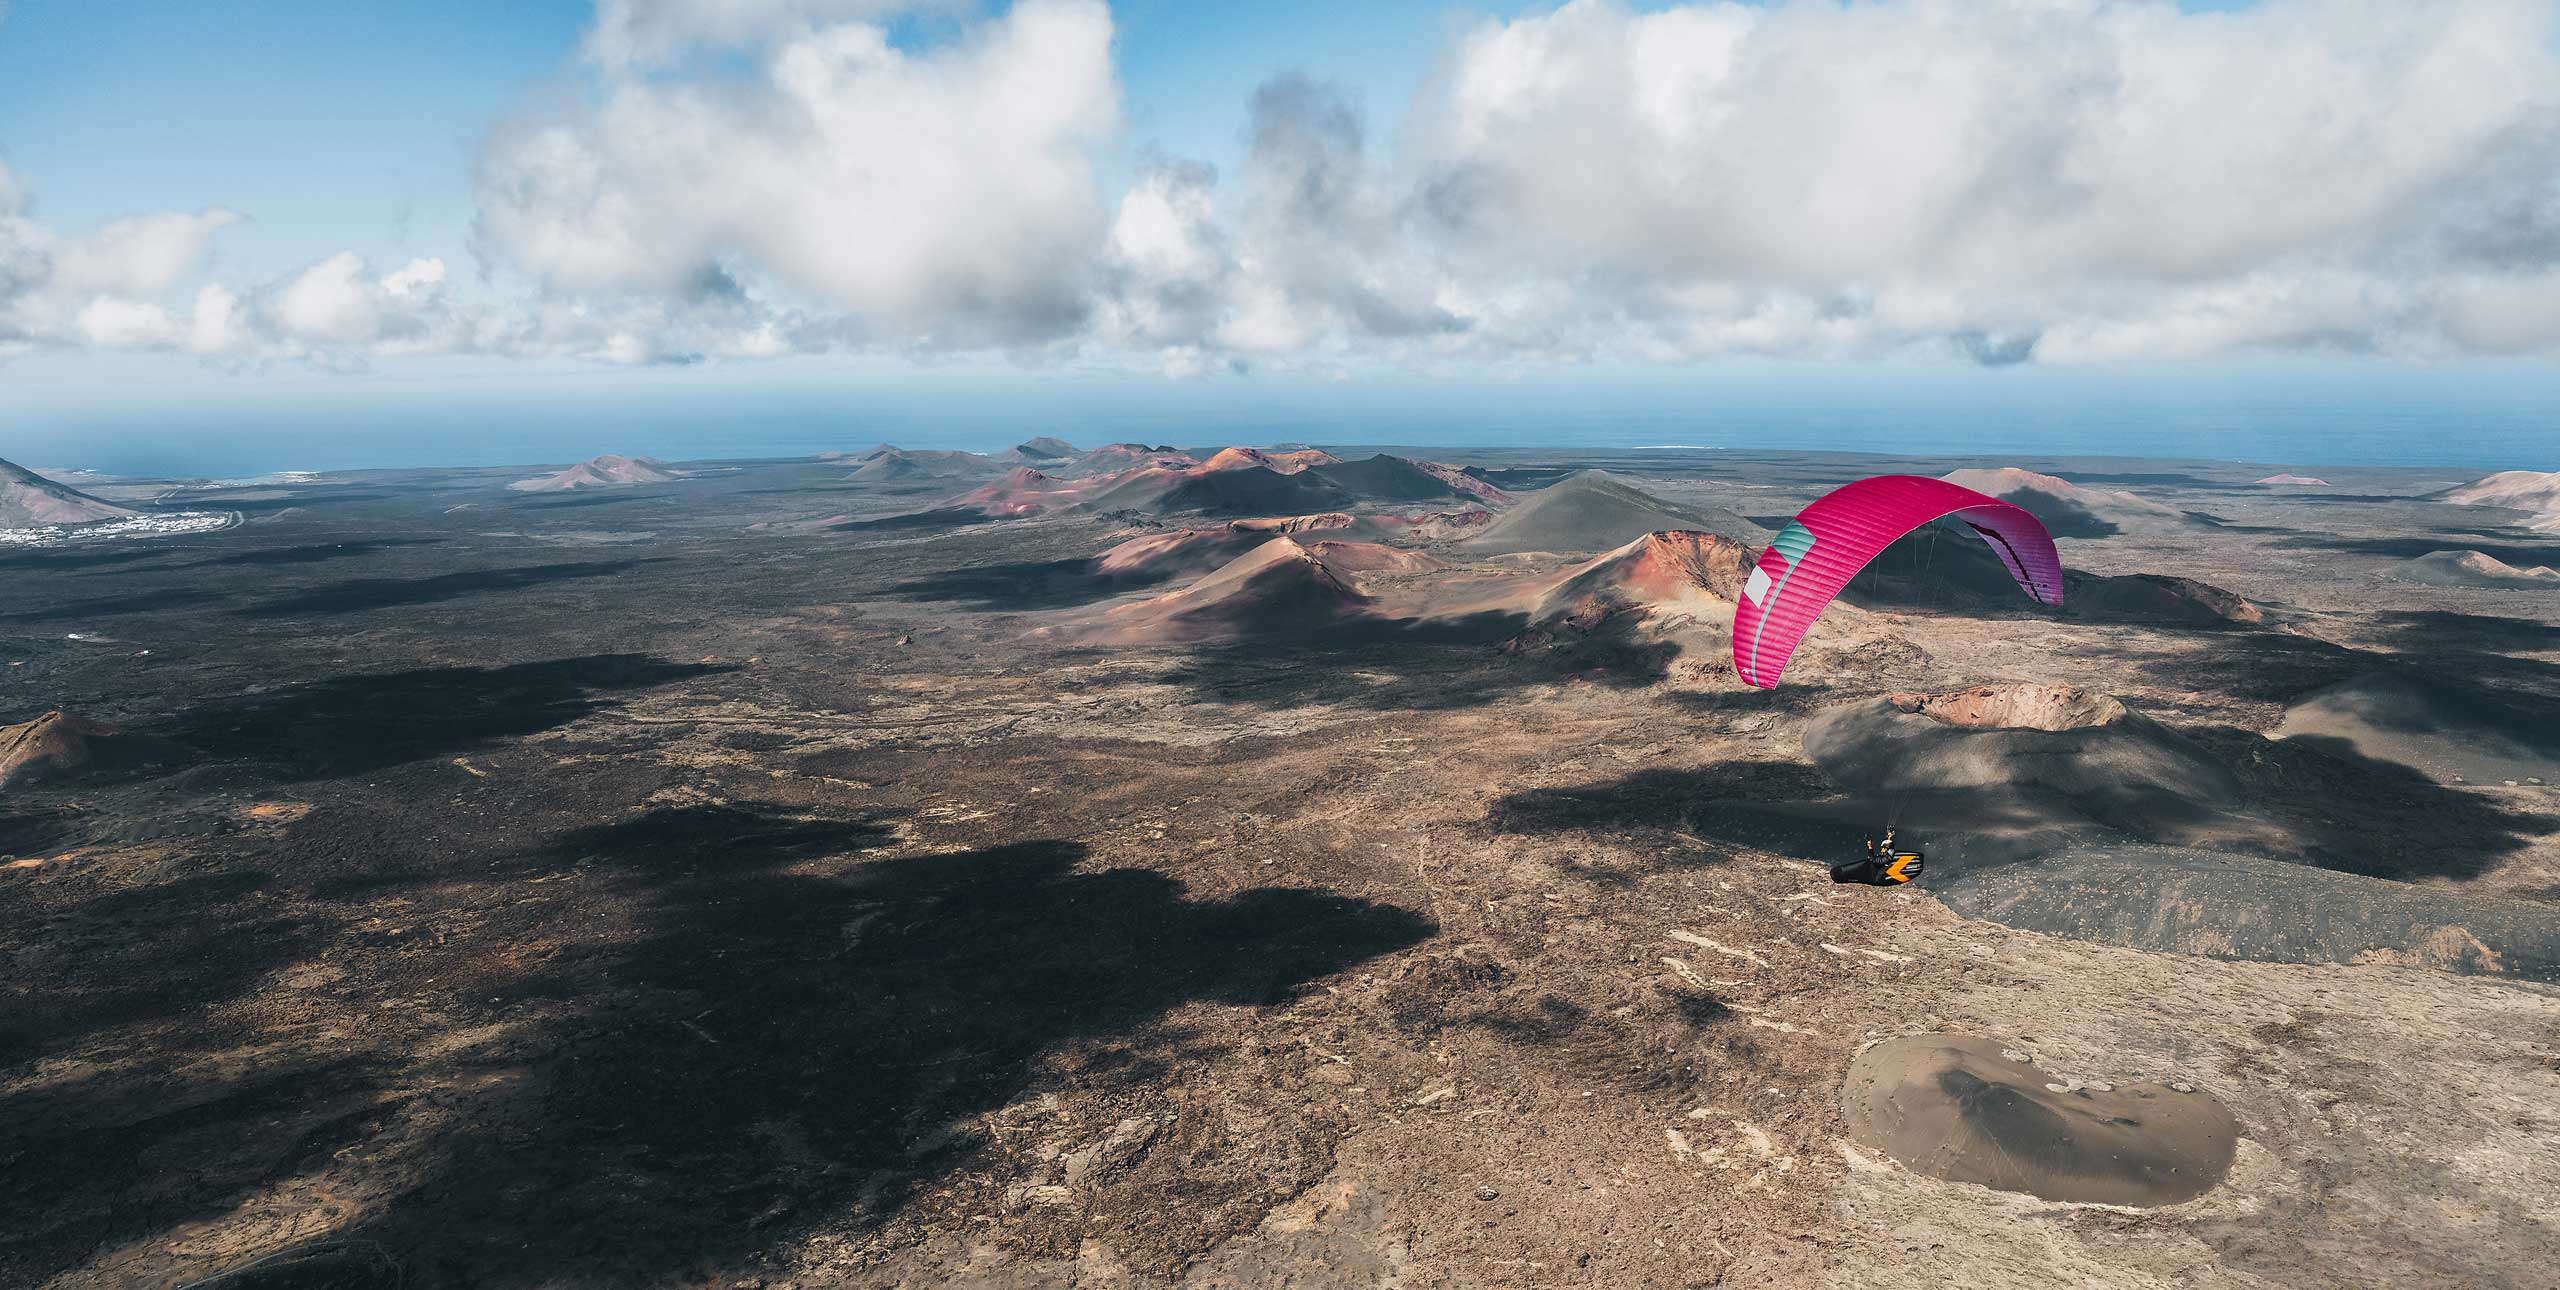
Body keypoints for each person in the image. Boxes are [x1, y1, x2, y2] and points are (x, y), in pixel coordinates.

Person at [1832, 827, 1923, 885]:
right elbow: (1889, 847)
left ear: (1886, 848)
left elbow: (1874, 860)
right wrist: (1889, 837)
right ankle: (1840, 875)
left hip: (1875, 876)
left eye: (1883, 848)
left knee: (1853, 873)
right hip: (1873, 874)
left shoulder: (1887, 858)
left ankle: (1839, 875)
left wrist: (1870, 847)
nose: (1881, 849)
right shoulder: (1890, 854)